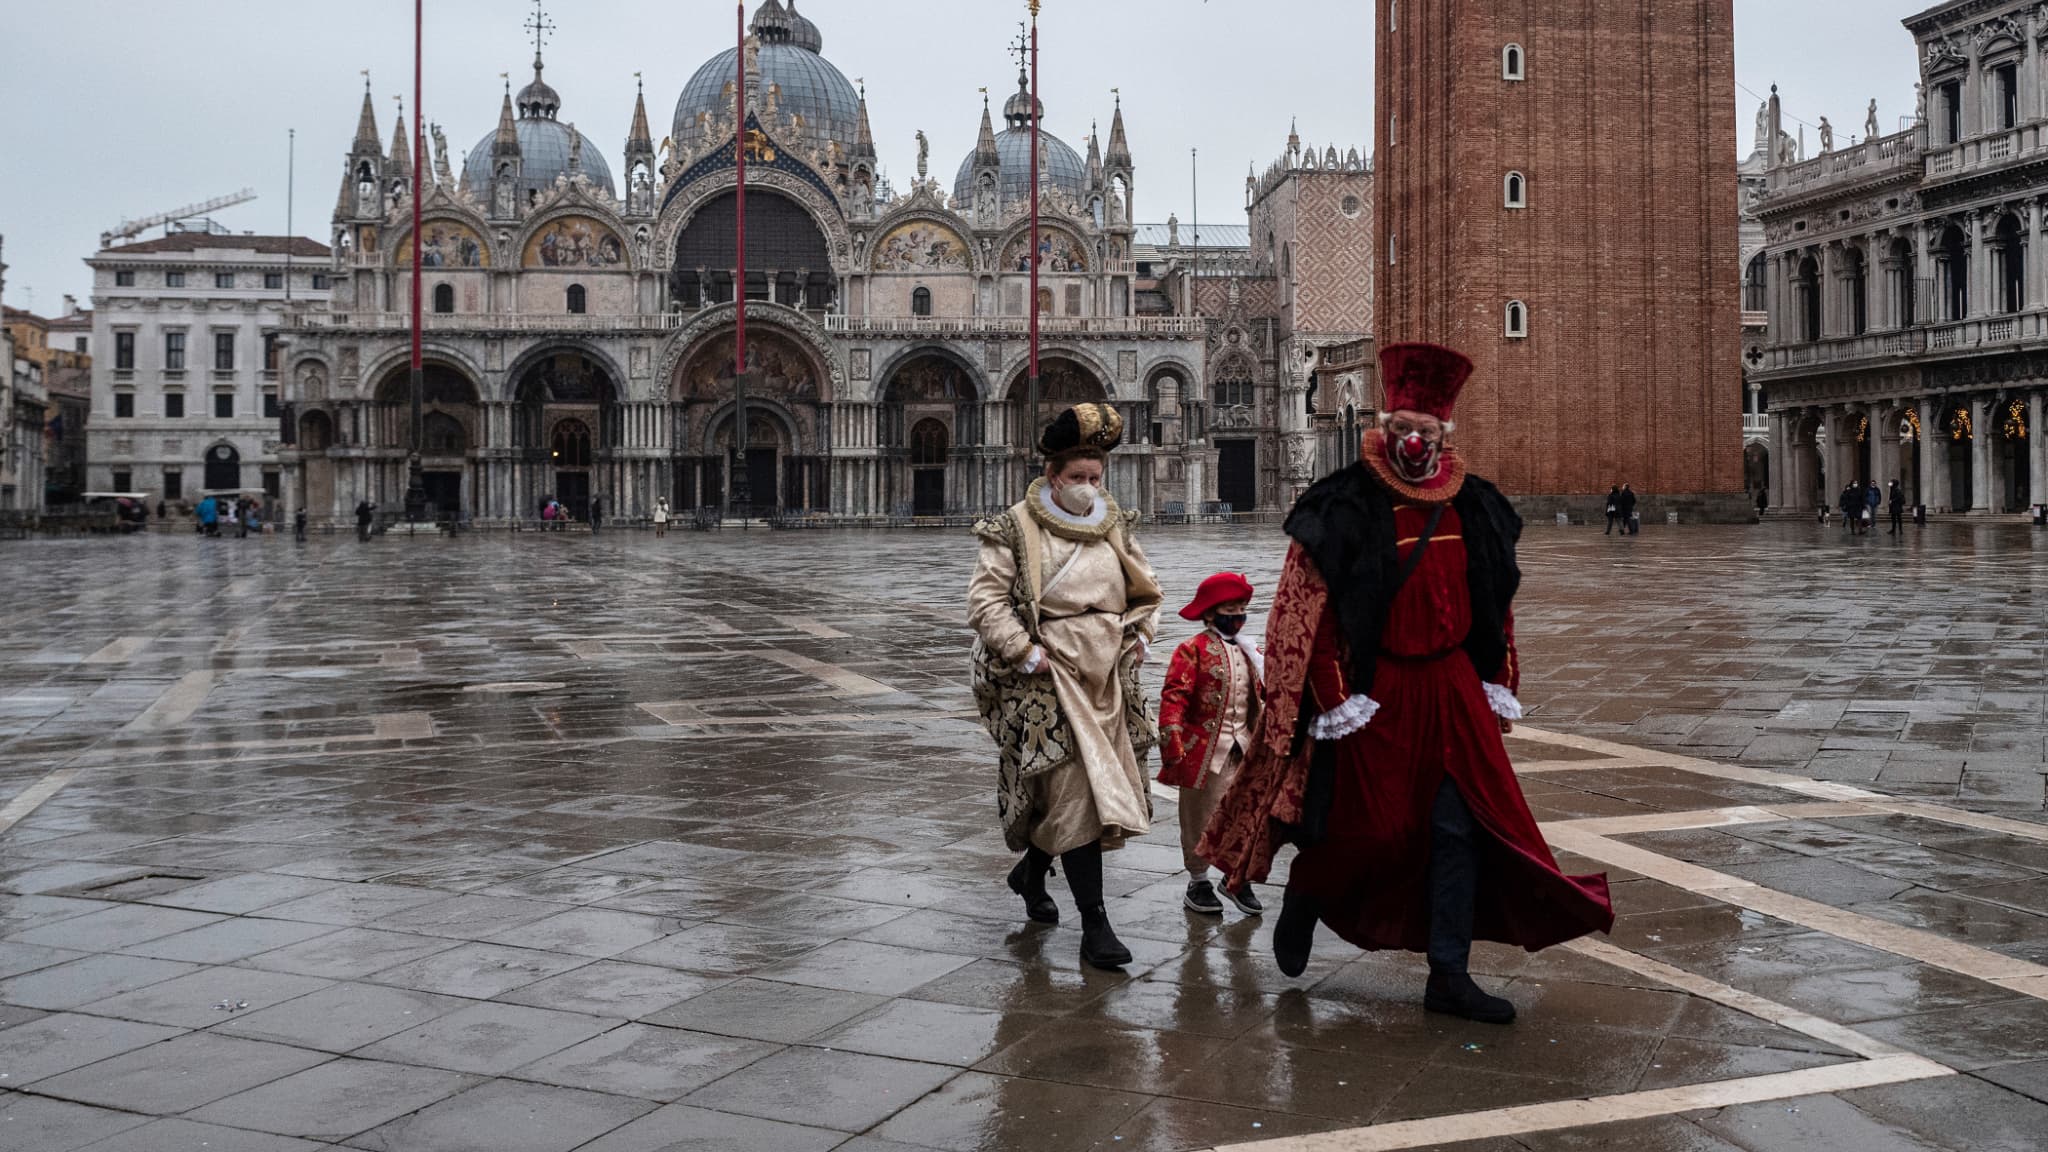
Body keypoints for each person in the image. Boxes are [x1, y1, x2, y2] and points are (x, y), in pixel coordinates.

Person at [1201, 342, 1614, 1024]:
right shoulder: (1343, 505)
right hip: (1376, 696)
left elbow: (1496, 603)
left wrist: (1498, 677)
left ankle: (1448, 975)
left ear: (1445, 434)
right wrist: (1335, 697)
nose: (1413, 441)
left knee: (1466, 832)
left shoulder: (1474, 505)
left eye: (1426, 430)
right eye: (1402, 429)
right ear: (1383, 428)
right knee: (1380, 831)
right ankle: (1309, 890)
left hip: (1453, 688)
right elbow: (1306, 611)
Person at [969, 403, 1162, 970]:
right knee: (1078, 793)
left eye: (1095, 477)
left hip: (1107, 677)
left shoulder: (1113, 523)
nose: (1087, 487)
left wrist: (1143, 638)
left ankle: (1031, 872)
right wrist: (1026, 653)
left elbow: (1146, 591)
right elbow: (986, 602)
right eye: (1077, 477)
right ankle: (1096, 926)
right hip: (1048, 676)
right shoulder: (1013, 527)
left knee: (1084, 793)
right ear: (1053, 475)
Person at [1159, 572, 1266, 917]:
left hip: (1244, 747)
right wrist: (1172, 738)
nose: (1236, 617)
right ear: (1209, 614)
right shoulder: (1191, 650)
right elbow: (1174, 696)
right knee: (1199, 816)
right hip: (1202, 751)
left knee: (1247, 812)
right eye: (1229, 610)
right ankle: (1199, 881)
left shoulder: (1252, 652)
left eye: (1241, 610)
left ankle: (1236, 876)